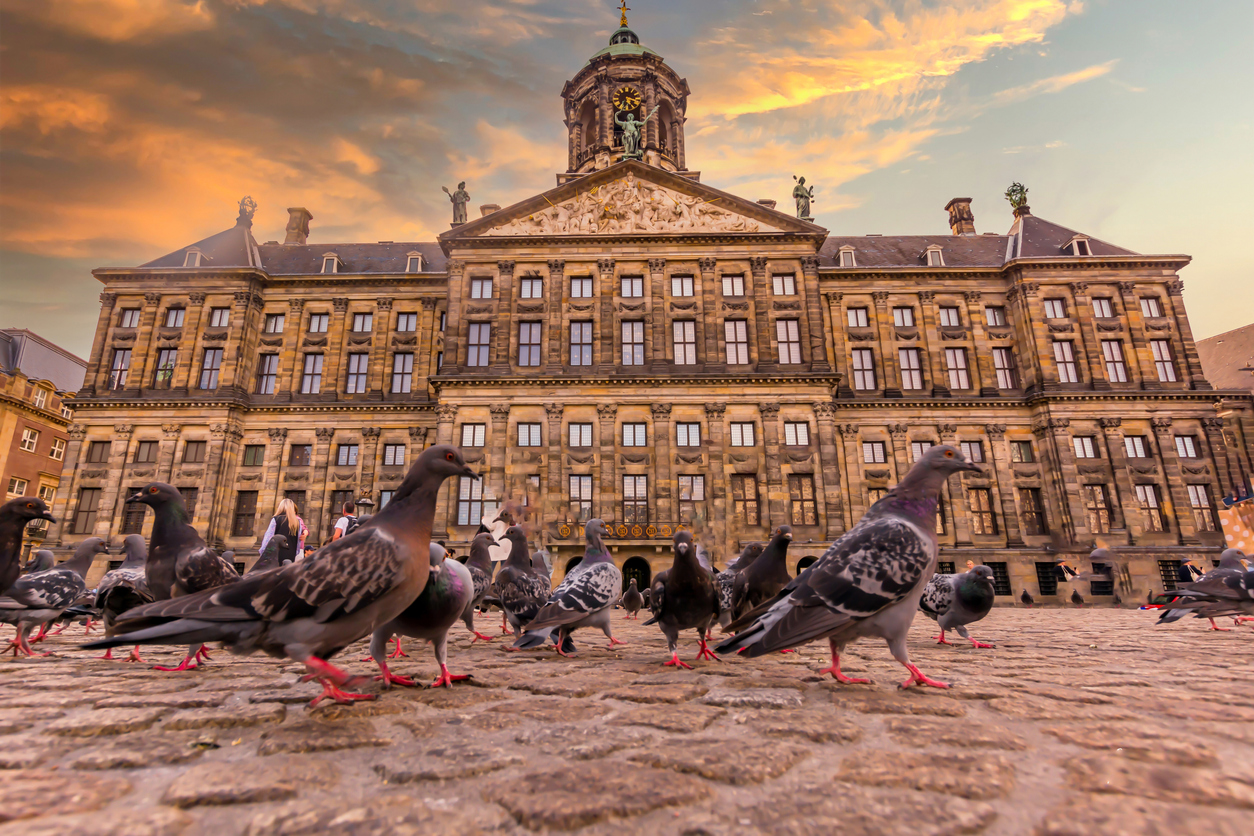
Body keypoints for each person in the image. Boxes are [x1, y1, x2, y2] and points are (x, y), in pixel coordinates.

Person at [260, 498, 306, 564]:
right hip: (291, 555)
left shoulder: (276, 519)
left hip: (275, 555)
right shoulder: (297, 522)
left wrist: (263, 553)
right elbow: (298, 544)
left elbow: (268, 539)